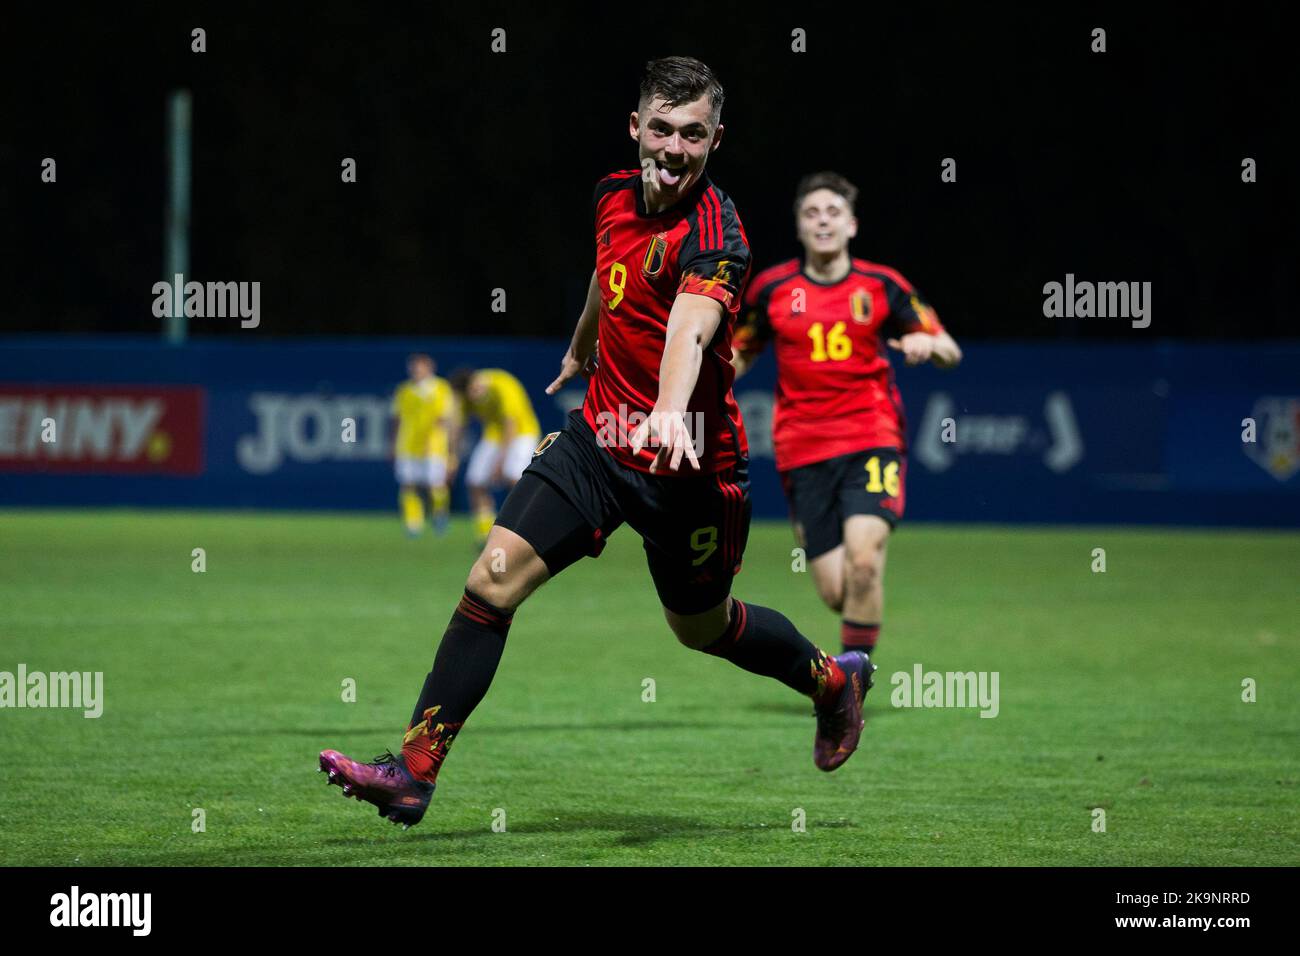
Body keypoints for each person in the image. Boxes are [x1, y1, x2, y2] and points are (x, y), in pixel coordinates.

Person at [320, 58, 873, 829]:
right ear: (636, 126)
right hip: (601, 442)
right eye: (662, 129)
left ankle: (830, 683)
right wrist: (583, 346)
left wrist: (673, 408)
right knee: (491, 579)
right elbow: (605, 273)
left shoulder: (719, 232)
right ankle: (413, 771)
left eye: (694, 134)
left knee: (701, 628)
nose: (675, 148)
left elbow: (692, 326)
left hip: (691, 468)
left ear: (716, 140)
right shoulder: (613, 195)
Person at [734, 172, 962, 658]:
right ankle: (858, 635)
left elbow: (950, 349)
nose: (823, 221)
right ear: (798, 226)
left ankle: (850, 689)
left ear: (852, 225)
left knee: (864, 563)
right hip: (802, 450)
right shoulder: (772, 289)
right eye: (812, 213)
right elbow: (739, 354)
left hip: (871, 437)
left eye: (833, 212)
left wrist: (929, 344)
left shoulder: (882, 285)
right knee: (838, 592)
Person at [449, 367, 542, 544]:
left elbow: (511, 425)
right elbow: (458, 428)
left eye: (473, 391)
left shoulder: (502, 384)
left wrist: (500, 461)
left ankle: (527, 531)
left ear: (476, 381)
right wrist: (451, 458)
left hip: (522, 433)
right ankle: (486, 535)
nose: (473, 397)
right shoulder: (466, 396)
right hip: (494, 435)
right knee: (475, 482)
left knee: (514, 478)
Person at [391, 354, 458, 536]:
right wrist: (392, 444)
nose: (416, 371)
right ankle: (413, 524)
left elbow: (443, 419)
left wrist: (447, 448)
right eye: (413, 367)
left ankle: (439, 516)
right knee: (408, 484)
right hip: (407, 445)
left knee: (436, 485)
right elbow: (397, 419)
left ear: (430, 368)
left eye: (420, 367)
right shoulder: (404, 390)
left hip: (434, 446)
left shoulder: (441, 388)